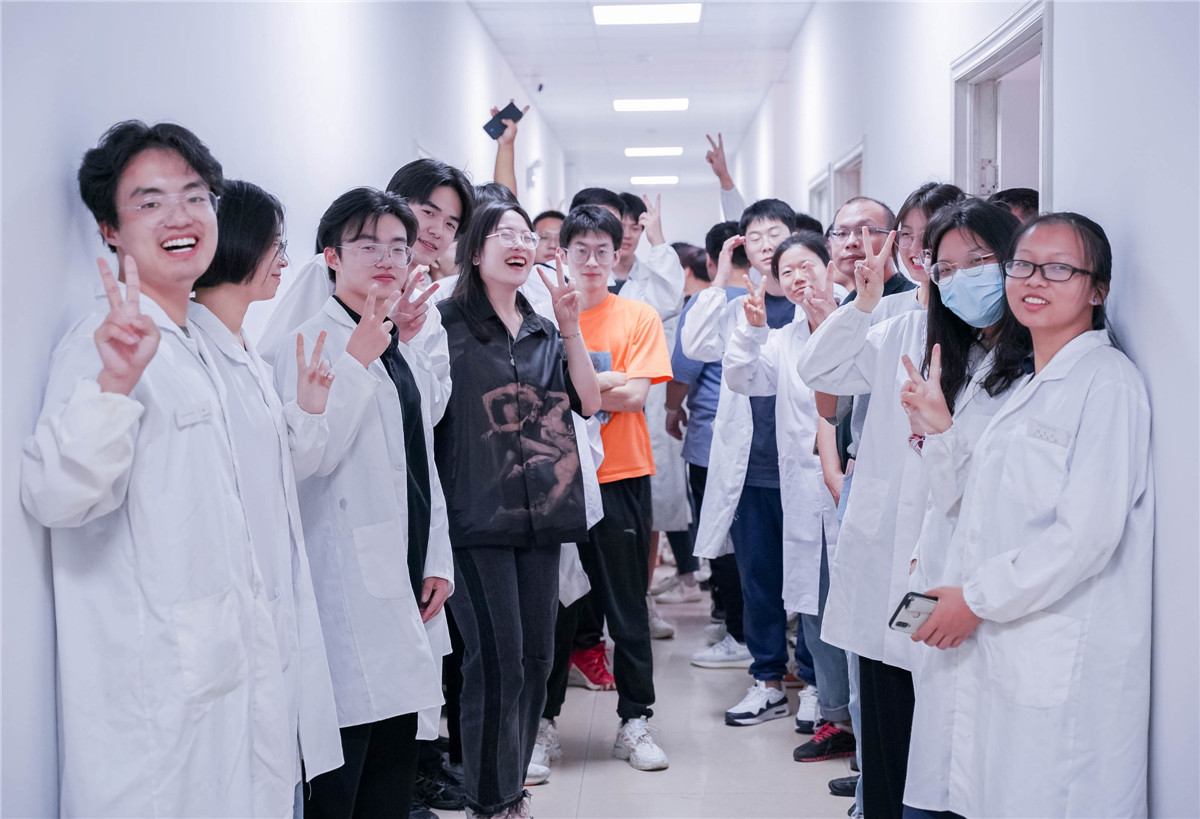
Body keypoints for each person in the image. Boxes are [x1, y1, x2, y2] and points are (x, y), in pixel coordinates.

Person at [21, 120, 298, 815]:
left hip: (220, 681)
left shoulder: (192, 345)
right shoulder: (104, 344)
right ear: (110, 230)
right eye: (149, 202)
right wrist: (114, 384)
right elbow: (56, 496)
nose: (180, 216)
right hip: (152, 708)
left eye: (195, 196)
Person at [901, 212, 1152, 817]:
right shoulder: (1018, 380)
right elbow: (973, 502)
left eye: (1059, 269)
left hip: (1051, 644)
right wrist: (941, 431)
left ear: (1098, 290)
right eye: (1023, 265)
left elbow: (1087, 536)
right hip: (1000, 636)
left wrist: (976, 599)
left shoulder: (1107, 383)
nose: (1034, 280)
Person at [797, 195, 1019, 819]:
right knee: (887, 732)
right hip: (888, 567)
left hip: (954, 576)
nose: (956, 277)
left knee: (945, 744)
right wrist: (862, 303)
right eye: (943, 264)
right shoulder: (899, 326)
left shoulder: (1022, 357)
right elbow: (820, 369)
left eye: (977, 262)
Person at [273, 187, 452, 819]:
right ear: (331, 255)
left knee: (395, 760)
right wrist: (353, 363)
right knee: (345, 764)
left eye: (398, 247)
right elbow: (307, 460)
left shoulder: (396, 341)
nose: (386, 258)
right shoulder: (307, 343)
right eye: (367, 245)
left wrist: (437, 558)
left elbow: (421, 460)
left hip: (406, 568)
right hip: (343, 579)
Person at [434, 200, 600, 817]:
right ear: (476, 250)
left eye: (526, 234)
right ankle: (487, 801)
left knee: (535, 660)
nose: (519, 242)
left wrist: (571, 325)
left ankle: (510, 789)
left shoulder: (543, 328)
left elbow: (588, 401)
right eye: (503, 233)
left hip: (544, 514)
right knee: (496, 661)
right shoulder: (443, 323)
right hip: (474, 516)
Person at [189, 180, 346, 812]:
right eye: (276, 244)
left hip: (273, 602)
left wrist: (308, 408)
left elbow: (284, 470)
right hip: (229, 614)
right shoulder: (194, 353)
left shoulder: (247, 356)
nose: (284, 259)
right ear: (239, 244)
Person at [679, 199, 819, 730]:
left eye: (774, 233)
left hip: (806, 467)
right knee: (758, 580)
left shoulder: (816, 303)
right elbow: (695, 345)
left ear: (794, 236)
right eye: (753, 236)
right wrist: (720, 279)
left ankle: (814, 683)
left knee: (811, 579)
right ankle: (767, 681)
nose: (765, 244)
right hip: (751, 468)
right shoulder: (737, 303)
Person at [722, 231, 850, 752]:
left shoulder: (862, 319)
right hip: (806, 489)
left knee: (851, 602)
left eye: (806, 266)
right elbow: (743, 379)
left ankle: (850, 712)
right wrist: (752, 331)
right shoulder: (783, 338)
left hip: (856, 484)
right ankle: (829, 705)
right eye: (787, 272)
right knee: (814, 601)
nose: (798, 278)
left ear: (829, 266)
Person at [561, 204, 674, 770]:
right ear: (562, 255)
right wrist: (606, 380)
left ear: (617, 254)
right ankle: (543, 723)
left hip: (621, 476)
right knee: (557, 611)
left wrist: (576, 385)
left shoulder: (637, 315)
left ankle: (635, 721)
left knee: (627, 608)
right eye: (580, 250)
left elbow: (635, 397)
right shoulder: (545, 316)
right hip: (558, 479)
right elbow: (544, 395)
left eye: (601, 251)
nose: (591, 261)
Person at [668, 222, 749, 657]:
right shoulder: (769, 297)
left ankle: (734, 627)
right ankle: (750, 628)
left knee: (719, 536)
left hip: (710, 438)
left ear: (714, 261)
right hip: (759, 444)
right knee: (754, 540)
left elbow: (683, 371)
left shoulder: (707, 301)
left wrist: (671, 410)